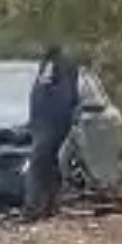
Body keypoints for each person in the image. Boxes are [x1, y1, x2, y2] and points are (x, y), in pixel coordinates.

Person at [22, 45, 81, 221]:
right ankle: (50, 205)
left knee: (38, 164)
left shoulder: (61, 66)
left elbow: (64, 98)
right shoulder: (51, 66)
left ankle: (33, 208)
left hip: (51, 123)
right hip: (46, 122)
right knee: (49, 165)